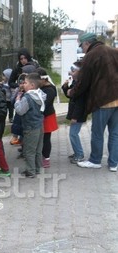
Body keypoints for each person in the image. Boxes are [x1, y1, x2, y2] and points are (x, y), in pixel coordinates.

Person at [69, 32, 118, 172]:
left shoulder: (91, 55)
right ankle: (114, 163)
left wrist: (72, 92)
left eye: (82, 46)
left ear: (87, 43)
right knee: (115, 133)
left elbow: (84, 81)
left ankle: (95, 160)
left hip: (102, 100)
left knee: (97, 132)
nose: (82, 49)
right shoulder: (113, 51)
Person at [14, 73, 46, 178]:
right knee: (38, 149)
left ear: (32, 85)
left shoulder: (27, 97)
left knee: (29, 151)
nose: (23, 84)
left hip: (30, 127)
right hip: (40, 125)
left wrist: (17, 100)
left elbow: (20, 111)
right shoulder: (40, 93)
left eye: (25, 82)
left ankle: (30, 171)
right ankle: (37, 169)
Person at [9, 48, 39, 145]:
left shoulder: (33, 66)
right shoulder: (17, 68)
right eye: (21, 58)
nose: (23, 60)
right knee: (19, 116)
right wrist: (19, 86)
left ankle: (26, 145)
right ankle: (21, 142)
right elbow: (10, 82)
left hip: (32, 94)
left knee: (28, 119)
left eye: (25, 58)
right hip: (21, 94)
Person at [62, 61, 87, 164]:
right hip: (76, 113)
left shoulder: (81, 85)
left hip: (79, 114)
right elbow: (70, 95)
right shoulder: (76, 82)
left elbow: (80, 102)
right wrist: (65, 87)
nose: (70, 72)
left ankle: (79, 154)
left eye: (73, 70)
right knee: (73, 133)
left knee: (73, 134)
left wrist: (75, 117)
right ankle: (77, 152)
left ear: (79, 72)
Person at [36, 67, 58, 168]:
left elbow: (45, 104)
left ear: (44, 79)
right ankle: (40, 155)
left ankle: (46, 158)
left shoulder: (50, 90)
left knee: (46, 138)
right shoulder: (40, 88)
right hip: (41, 115)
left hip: (47, 116)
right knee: (40, 138)